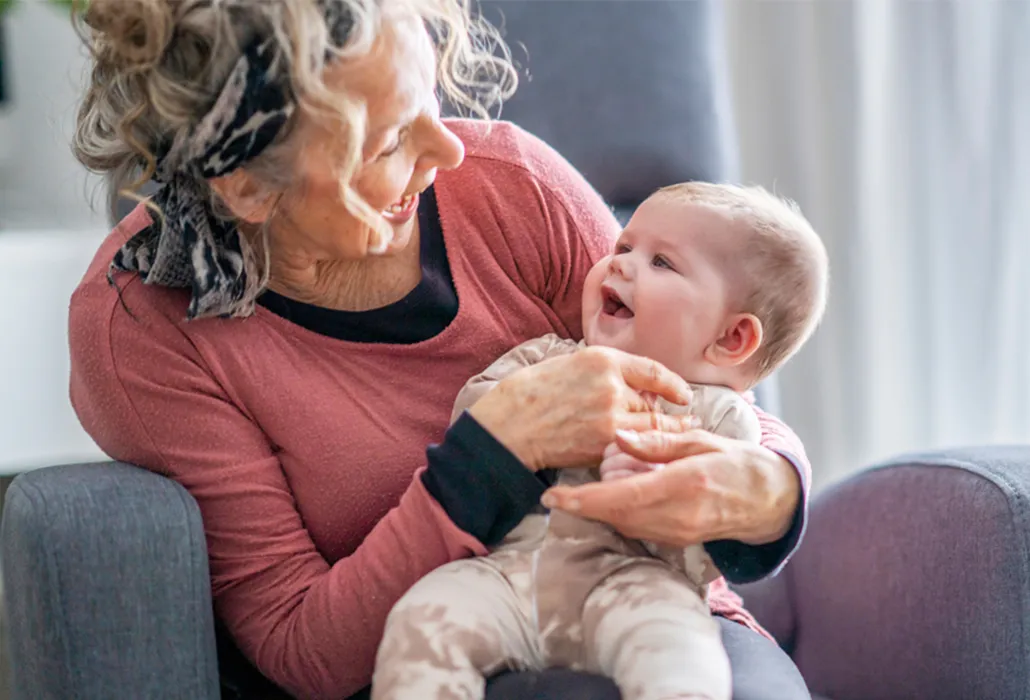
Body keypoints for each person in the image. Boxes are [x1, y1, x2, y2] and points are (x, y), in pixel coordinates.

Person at [67, 1, 813, 699]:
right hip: (429, 654)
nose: (450, 149)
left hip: (652, 611)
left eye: (430, 97)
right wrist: (490, 452)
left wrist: (772, 486)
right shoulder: (142, 328)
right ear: (248, 190)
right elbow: (299, 646)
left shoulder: (514, 186)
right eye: (391, 139)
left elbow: (703, 386)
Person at [372, 182, 828, 700]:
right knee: (422, 622)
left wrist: (660, 498)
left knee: (686, 661)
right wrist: (531, 423)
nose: (620, 265)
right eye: (624, 247)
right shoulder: (550, 359)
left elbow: (711, 562)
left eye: (662, 263)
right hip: (509, 575)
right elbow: (474, 424)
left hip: (641, 587)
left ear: (731, 339)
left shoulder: (723, 424)